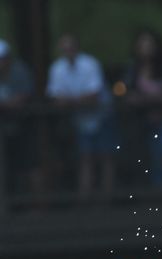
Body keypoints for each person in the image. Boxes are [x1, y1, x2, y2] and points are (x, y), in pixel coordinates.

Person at [46, 32, 116, 199]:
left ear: (77, 46)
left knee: (106, 156)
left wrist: (71, 101)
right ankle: (86, 198)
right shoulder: (57, 68)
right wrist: (79, 101)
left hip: (102, 115)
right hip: (80, 119)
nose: (67, 49)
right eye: (64, 46)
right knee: (85, 158)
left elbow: (94, 95)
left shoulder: (90, 63)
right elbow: (55, 97)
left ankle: (108, 197)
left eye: (70, 45)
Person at [123, 29, 162, 187]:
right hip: (145, 121)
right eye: (143, 44)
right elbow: (128, 95)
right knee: (155, 156)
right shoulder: (133, 70)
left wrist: (150, 99)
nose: (146, 47)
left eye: (149, 44)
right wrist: (148, 100)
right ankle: (160, 189)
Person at [0, 40, 36, 196]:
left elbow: (24, 97)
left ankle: (34, 204)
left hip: (24, 126)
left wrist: (7, 105)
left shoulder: (20, 71)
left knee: (28, 165)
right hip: (4, 129)